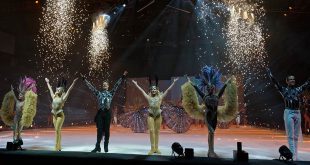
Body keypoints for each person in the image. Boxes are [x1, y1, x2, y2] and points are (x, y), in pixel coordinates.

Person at [266, 68, 310, 160]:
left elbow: (307, 84)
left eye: (293, 79)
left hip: (297, 112)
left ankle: (295, 155)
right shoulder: (284, 90)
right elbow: (275, 83)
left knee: (296, 136)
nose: (292, 80)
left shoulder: (298, 90)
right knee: (290, 135)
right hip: (289, 112)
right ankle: (292, 155)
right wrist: (270, 73)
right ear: (287, 81)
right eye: (290, 79)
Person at [82, 71, 128, 153]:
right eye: (103, 85)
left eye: (106, 85)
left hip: (107, 114)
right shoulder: (98, 94)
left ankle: (106, 146)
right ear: (102, 86)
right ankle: (97, 146)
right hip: (100, 113)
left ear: (108, 86)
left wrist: (123, 76)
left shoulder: (111, 93)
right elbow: (91, 87)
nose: (104, 86)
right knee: (99, 130)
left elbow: (117, 85)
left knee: (107, 130)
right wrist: (84, 79)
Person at [131, 76, 179, 155]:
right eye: (152, 89)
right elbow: (141, 91)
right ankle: (152, 148)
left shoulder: (160, 97)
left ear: (157, 90)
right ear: (151, 90)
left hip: (158, 116)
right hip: (150, 116)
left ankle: (156, 148)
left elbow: (168, 90)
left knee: (157, 132)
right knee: (151, 131)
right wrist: (136, 84)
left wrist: (173, 83)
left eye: (155, 89)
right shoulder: (148, 97)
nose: (153, 90)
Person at [0, 76, 37, 149]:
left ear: (23, 96)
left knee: (19, 131)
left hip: (21, 118)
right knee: (15, 129)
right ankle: (14, 140)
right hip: (16, 117)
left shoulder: (24, 102)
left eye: (21, 95)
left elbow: (27, 94)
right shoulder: (17, 101)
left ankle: (18, 142)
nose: (19, 95)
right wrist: (12, 90)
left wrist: (31, 87)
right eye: (19, 94)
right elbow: (13, 96)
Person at [45, 77, 78, 151]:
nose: (57, 90)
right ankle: (59, 146)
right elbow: (50, 89)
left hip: (60, 115)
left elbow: (69, 90)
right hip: (54, 116)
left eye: (59, 89)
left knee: (57, 130)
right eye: (57, 89)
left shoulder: (63, 98)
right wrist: (47, 82)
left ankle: (56, 147)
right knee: (57, 131)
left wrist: (73, 82)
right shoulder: (53, 96)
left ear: (62, 90)